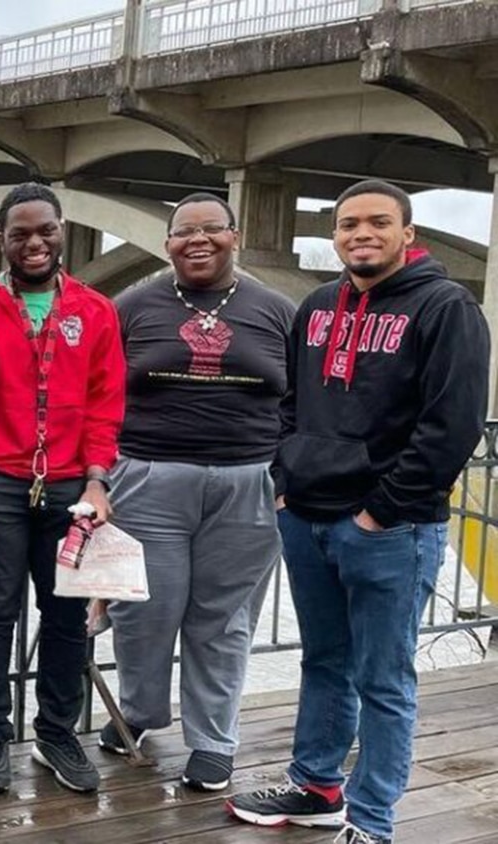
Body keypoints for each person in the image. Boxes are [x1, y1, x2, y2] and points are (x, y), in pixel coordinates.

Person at [226, 180, 489, 844]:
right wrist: (286, 481)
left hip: (389, 529)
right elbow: (291, 403)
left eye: (378, 223)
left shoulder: (446, 307)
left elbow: (450, 428)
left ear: (407, 233)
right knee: (324, 660)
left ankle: (371, 821)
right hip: (306, 515)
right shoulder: (316, 305)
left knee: (384, 677)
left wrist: (380, 510)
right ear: (336, 234)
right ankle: (316, 786)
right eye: (348, 224)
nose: (360, 234)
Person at [0, 182, 125, 796]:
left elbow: (104, 405)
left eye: (45, 230)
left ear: (62, 230)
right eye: (21, 234)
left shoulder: (94, 311)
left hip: (70, 484)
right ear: (2, 241)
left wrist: (98, 480)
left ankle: (55, 733)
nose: (35, 243)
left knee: (68, 613)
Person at [101, 193, 295, 791]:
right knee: (144, 610)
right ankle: (140, 712)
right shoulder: (131, 306)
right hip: (148, 477)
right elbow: (96, 393)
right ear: (167, 244)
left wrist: (287, 480)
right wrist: (97, 477)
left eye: (213, 229)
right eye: (185, 231)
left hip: (248, 482)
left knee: (224, 618)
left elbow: (302, 403)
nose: (199, 240)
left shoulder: (278, 310)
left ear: (235, 236)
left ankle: (213, 739)